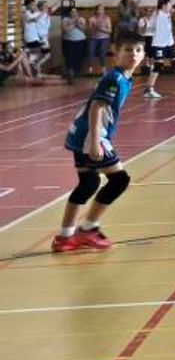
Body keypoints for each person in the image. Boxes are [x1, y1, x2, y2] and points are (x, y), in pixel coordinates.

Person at [51, 28, 147, 253]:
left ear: (144, 54)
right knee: (119, 181)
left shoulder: (125, 77)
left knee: (88, 184)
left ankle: (65, 237)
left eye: (138, 50)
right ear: (116, 52)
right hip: (90, 135)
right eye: (128, 50)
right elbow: (96, 107)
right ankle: (88, 229)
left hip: (81, 133)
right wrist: (95, 142)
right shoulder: (114, 79)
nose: (133, 54)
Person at [58, 0, 87, 82]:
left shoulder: (81, 19)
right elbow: (65, 30)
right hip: (69, 41)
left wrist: (77, 24)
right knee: (69, 57)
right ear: (69, 13)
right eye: (72, 12)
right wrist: (74, 24)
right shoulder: (65, 19)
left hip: (80, 41)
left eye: (75, 12)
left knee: (78, 57)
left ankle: (76, 72)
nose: (74, 13)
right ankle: (70, 72)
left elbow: (83, 29)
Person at [87, 4, 113, 75]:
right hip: (94, 38)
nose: (100, 11)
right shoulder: (92, 19)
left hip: (105, 38)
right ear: (96, 10)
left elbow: (110, 31)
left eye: (102, 9)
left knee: (102, 50)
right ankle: (90, 67)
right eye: (99, 9)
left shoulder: (107, 18)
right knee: (90, 50)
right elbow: (90, 32)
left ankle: (103, 68)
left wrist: (101, 29)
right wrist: (94, 28)